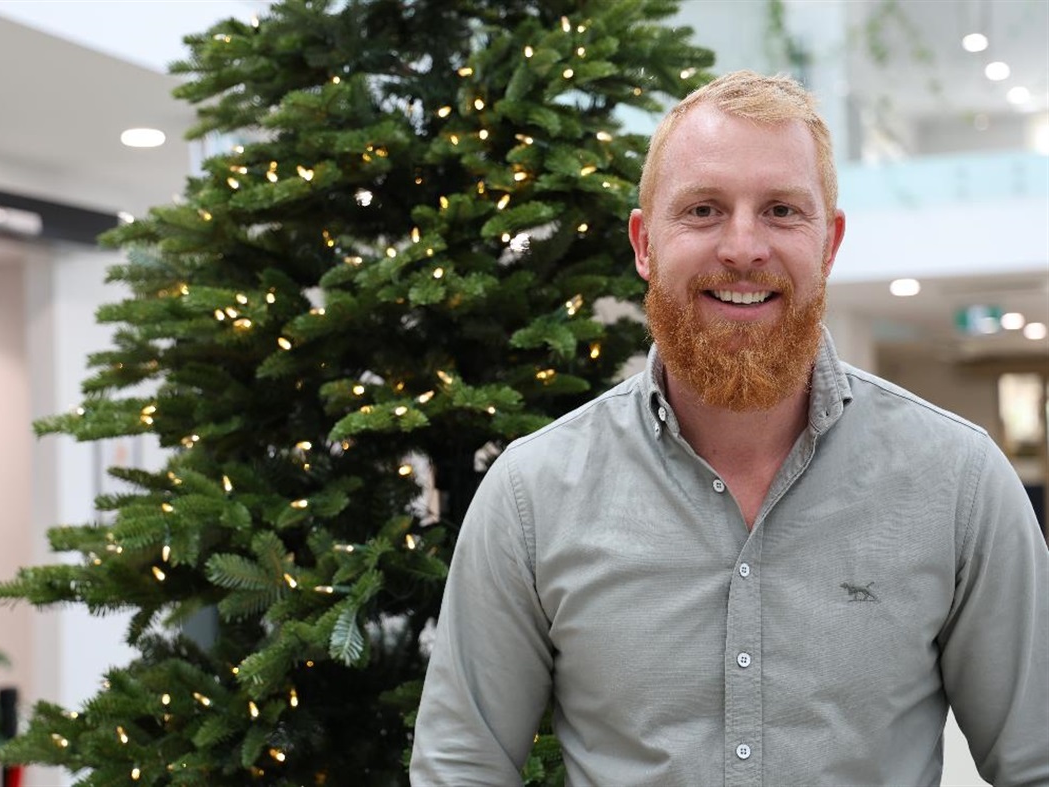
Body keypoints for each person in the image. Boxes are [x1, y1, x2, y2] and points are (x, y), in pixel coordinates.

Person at [409, 70, 1049, 786]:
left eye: (781, 210)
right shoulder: (531, 496)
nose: (744, 247)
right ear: (645, 243)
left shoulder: (958, 482)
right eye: (705, 210)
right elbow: (462, 768)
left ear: (829, 244)